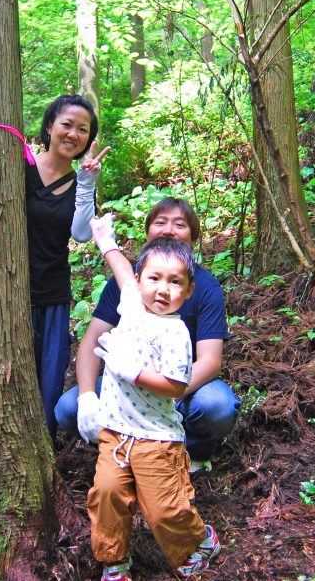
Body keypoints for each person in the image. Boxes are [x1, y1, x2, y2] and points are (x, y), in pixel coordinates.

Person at [55, 197, 240, 473]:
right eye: (160, 222)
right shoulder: (129, 285)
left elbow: (210, 361)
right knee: (68, 407)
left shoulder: (204, 287)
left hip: (178, 386)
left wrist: (159, 393)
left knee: (216, 405)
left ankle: (191, 452)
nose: (168, 230)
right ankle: (122, 448)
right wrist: (87, 398)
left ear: (193, 237)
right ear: (148, 233)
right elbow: (92, 340)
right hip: (126, 381)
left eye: (179, 224)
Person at [87, 214, 221, 580]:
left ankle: (198, 541)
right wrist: (105, 239)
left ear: (189, 290)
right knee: (107, 495)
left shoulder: (176, 332)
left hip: (157, 438)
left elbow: (176, 386)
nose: (163, 290)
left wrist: (131, 370)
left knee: (164, 509)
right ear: (139, 280)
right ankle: (114, 562)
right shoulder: (131, 303)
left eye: (175, 282)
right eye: (154, 279)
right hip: (114, 432)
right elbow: (119, 269)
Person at [27, 94, 109, 439]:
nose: (73, 134)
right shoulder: (21, 166)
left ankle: (42, 443)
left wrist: (87, 183)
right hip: (9, 288)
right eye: (66, 125)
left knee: (48, 373)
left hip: (51, 291)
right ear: (50, 126)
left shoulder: (78, 184)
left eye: (82, 130)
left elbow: (79, 233)